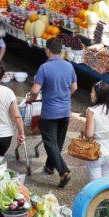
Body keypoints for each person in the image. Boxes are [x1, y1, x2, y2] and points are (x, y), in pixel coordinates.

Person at [28, 38, 77, 188]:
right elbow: (74, 87)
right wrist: (63, 97)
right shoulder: (69, 66)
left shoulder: (44, 68)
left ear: (48, 50)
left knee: (50, 142)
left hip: (50, 112)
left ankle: (63, 171)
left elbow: (35, 90)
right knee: (58, 143)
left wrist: (31, 99)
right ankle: (50, 166)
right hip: (65, 111)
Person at [83, 81, 109, 181]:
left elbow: (89, 134)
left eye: (92, 92)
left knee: (95, 185)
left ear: (98, 95)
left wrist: (83, 131)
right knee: (105, 181)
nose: (91, 94)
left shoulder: (92, 111)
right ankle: (106, 197)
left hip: (96, 151)